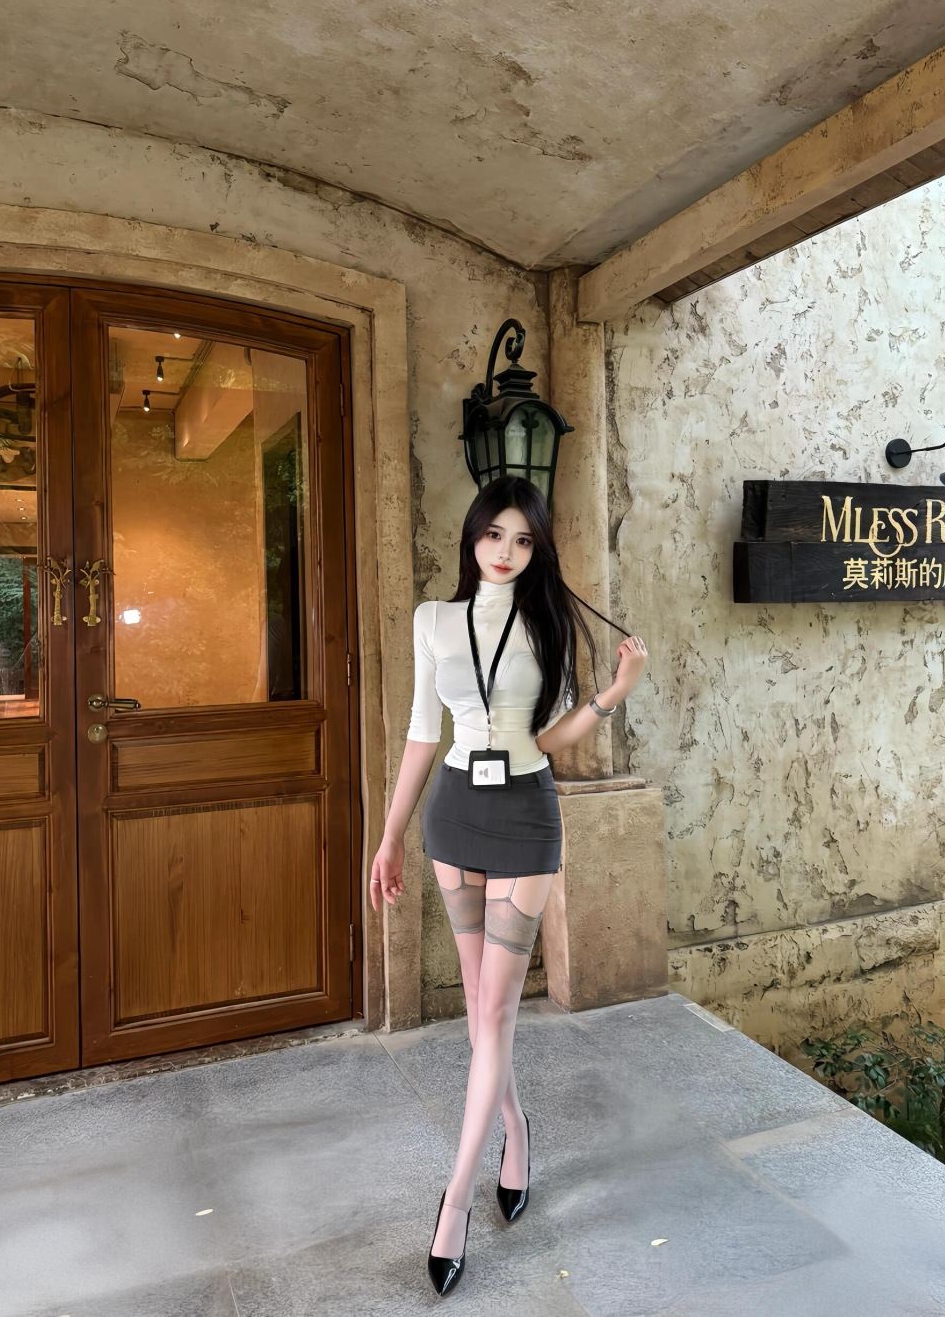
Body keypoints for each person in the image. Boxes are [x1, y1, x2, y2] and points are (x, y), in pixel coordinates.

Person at [369, 476, 648, 1297]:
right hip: (454, 812)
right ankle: (517, 1128)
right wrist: (389, 836)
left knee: (495, 1010)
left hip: (526, 814)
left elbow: (550, 739)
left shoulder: (546, 619)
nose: (506, 552)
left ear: (537, 549)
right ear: (473, 536)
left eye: (523, 540)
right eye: (495, 534)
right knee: (477, 1006)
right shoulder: (433, 620)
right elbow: (422, 733)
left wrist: (614, 695)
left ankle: (455, 1200)